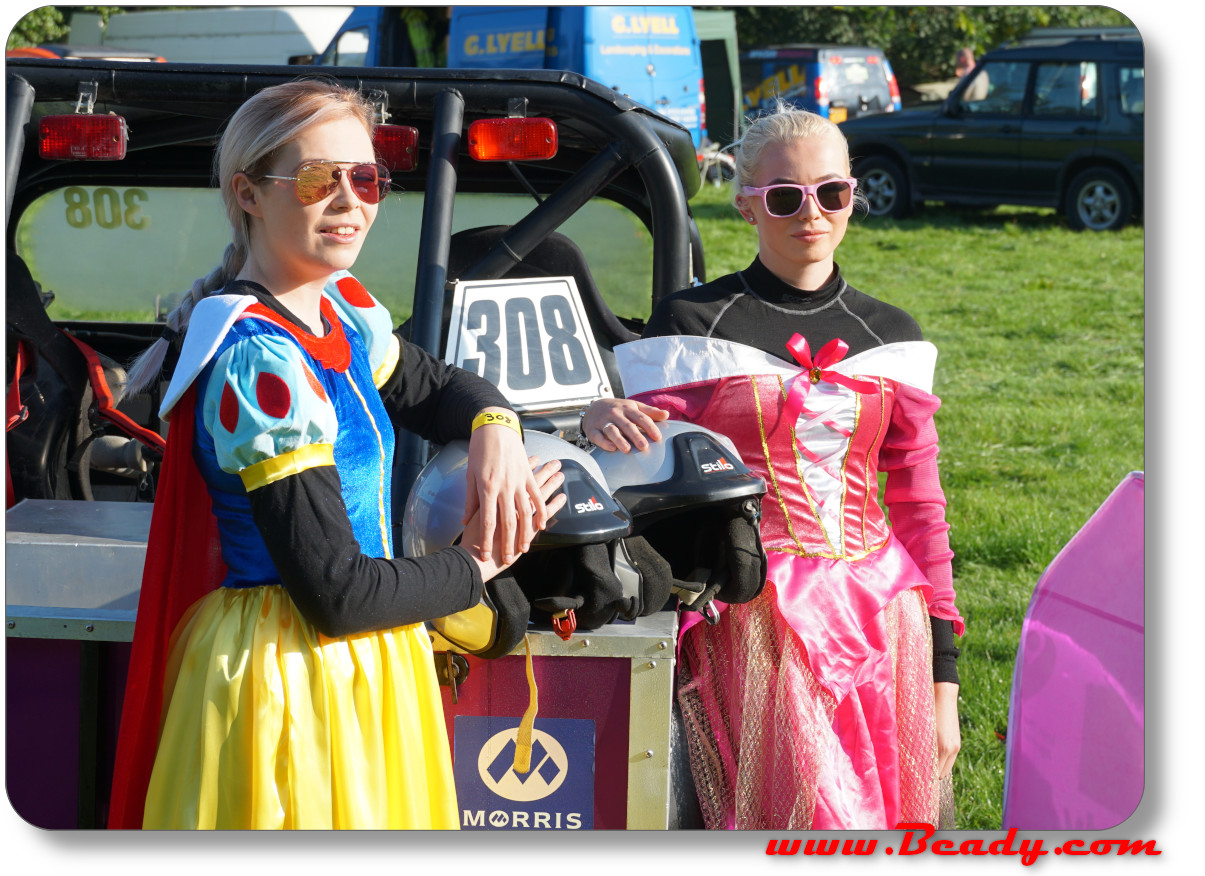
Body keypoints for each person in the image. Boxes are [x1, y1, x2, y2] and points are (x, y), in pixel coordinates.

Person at [107, 79, 566, 829]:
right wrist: (478, 564)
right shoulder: (260, 361)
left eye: (368, 177)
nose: (351, 201)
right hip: (287, 679)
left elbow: (441, 386)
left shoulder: (342, 314)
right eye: (320, 179)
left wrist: (495, 430)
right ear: (248, 192)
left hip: (365, 659)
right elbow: (336, 594)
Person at [581, 104, 964, 830]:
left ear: (853, 195)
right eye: (784, 196)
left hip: (885, 621)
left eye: (832, 193)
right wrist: (596, 417)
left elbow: (921, 511)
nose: (810, 213)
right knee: (807, 819)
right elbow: (635, 470)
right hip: (752, 620)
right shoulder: (694, 324)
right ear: (746, 205)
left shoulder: (891, 336)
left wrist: (943, 685)